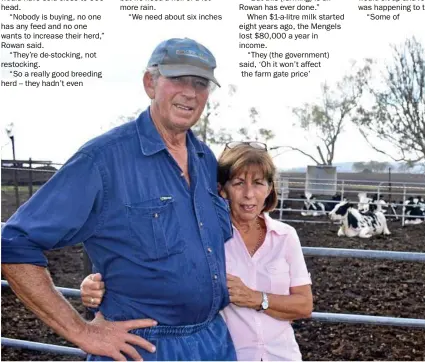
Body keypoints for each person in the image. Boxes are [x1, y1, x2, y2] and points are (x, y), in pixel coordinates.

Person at [1, 37, 237, 361]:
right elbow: (15, 243)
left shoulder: (205, 159)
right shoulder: (103, 160)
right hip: (142, 347)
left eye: (200, 83)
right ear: (150, 83)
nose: (190, 92)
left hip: (213, 340)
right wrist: (81, 332)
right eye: (178, 79)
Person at [80, 141, 314, 361]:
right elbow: (155, 274)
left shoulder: (285, 236)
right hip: (228, 354)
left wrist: (256, 298)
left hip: (283, 355)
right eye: (239, 183)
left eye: (259, 183)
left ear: (270, 188)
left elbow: (304, 305)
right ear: (221, 189)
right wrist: (99, 287)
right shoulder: (205, 235)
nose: (249, 194)